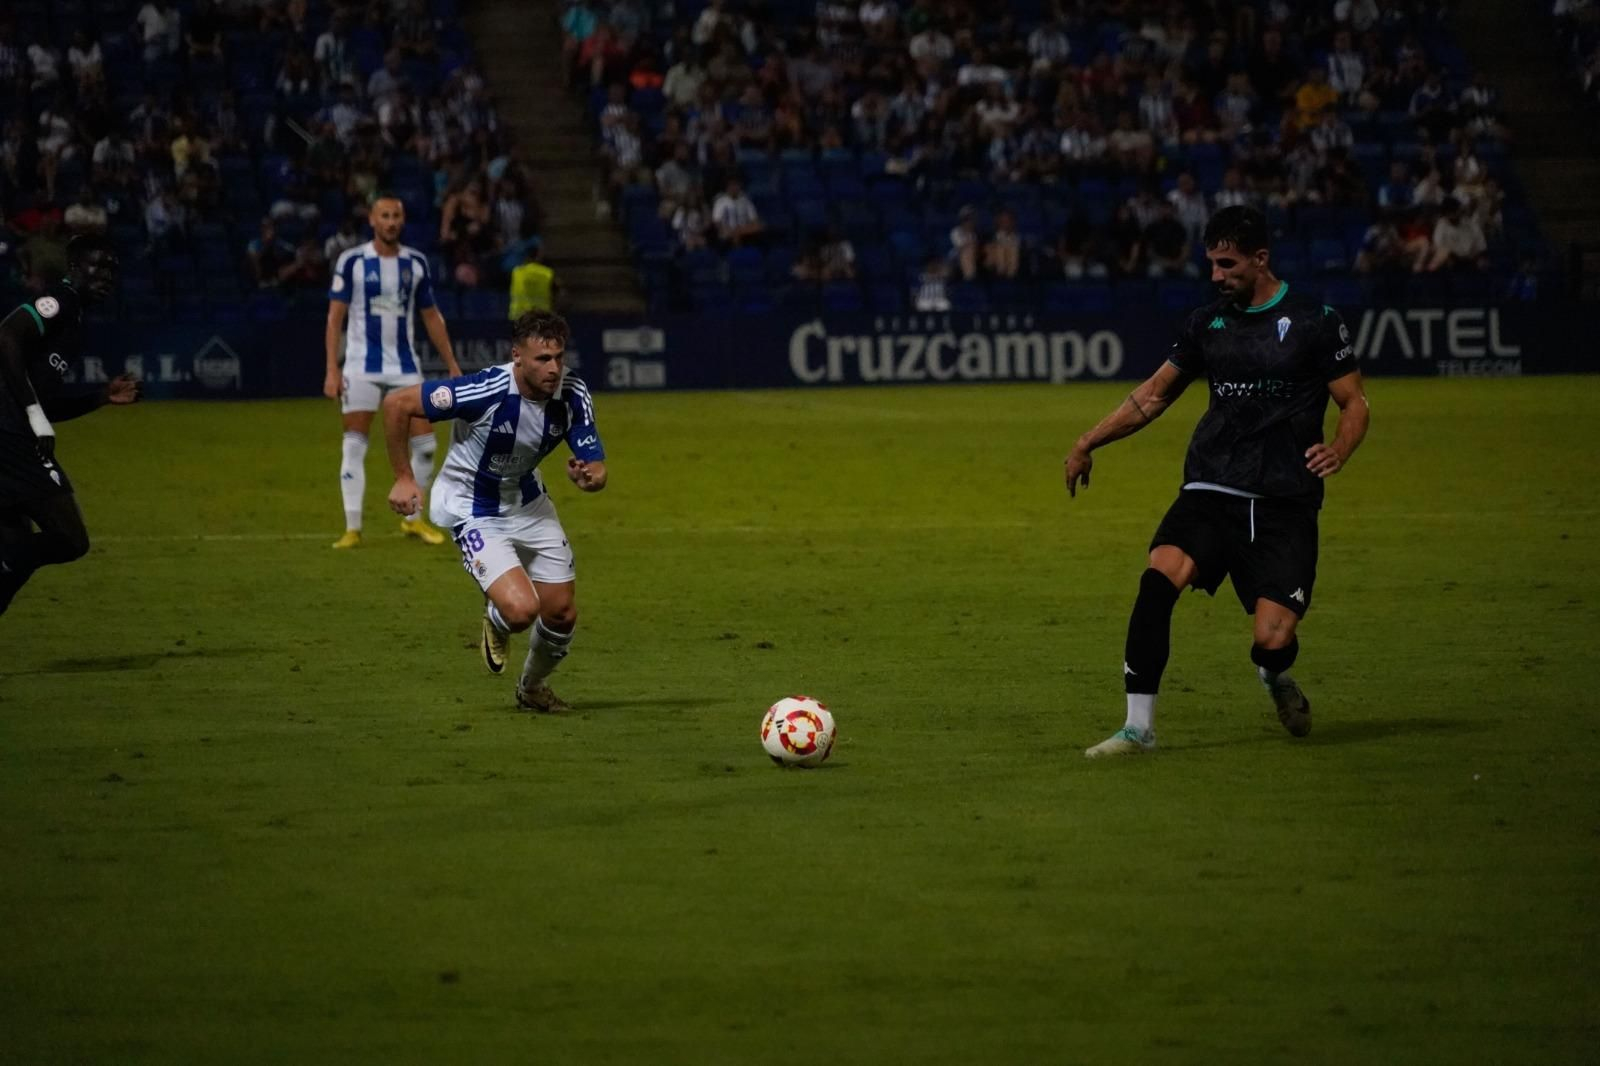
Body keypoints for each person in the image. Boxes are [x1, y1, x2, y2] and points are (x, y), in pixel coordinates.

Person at [1063, 205, 1370, 757]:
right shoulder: (1208, 323)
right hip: (1212, 487)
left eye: (1227, 264)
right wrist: (1088, 441)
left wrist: (1340, 449)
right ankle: (1139, 728)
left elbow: (1354, 402)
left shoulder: (1314, 320)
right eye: (1211, 264)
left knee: (1272, 640)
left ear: (1261, 259)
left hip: (1284, 499)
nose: (1216, 275)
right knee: (1157, 581)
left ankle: (1275, 677)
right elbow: (1153, 396)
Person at [380, 310, 607, 712]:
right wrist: (404, 476)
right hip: (472, 506)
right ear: (516, 355)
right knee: (521, 610)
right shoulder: (483, 390)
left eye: (558, 357)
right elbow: (397, 404)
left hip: (529, 502)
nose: (553, 368)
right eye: (542, 359)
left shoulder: (572, 392)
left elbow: (596, 466)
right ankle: (499, 620)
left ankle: (532, 689)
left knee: (562, 613)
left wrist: (591, 477)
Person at [0, 235, 141, 616]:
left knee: (17, 553)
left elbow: (45, 404)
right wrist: (32, 414)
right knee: (69, 540)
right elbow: (7, 335)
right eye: (99, 266)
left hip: (13, 433)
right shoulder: (60, 301)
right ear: (75, 267)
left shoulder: (76, 319)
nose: (107, 276)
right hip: (10, 437)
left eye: (113, 269)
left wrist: (100, 397)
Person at [323, 194, 463, 549]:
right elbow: (335, 316)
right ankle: (352, 528)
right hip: (360, 365)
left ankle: (413, 520)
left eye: (396, 216)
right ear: (372, 220)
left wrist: (451, 363)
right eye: (384, 216)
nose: (390, 222)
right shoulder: (352, 261)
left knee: (427, 446)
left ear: (402, 220)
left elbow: (431, 316)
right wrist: (331, 368)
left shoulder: (415, 263)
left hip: (404, 366)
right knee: (354, 445)